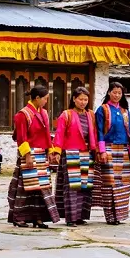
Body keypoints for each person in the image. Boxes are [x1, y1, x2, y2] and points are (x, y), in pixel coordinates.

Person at [7, 86, 60, 228]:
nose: (46, 101)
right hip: (28, 154)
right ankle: (18, 217)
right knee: (24, 187)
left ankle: (38, 218)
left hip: (41, 154)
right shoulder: (23, 114)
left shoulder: (43, 113)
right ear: (37, 98)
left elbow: (47, 135)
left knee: (41, 188)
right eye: (45, 98)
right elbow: (21, 137)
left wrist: (51, 151)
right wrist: (27, 155)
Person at [93, 82, 130, 225]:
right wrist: (101, 150)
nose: (117, 95)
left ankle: (119, 215)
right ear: (109, 93)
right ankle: (110, 216)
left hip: (123, 150)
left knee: (123, 183)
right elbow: (99, 131)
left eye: (119, 93)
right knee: (109, 183)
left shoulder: (125, 112)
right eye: (114, 92)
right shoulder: (102, 110)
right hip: (108, 149)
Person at [53, 87, 97, 227]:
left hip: (87, 153)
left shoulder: (90, 115)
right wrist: (57, 152)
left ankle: (80, 216)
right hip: (71, 153)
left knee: (85, 186)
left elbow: (94, 133)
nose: (83, 102)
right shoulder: (66, 115)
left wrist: (95, 150)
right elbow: (59, 134)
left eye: (85, 99)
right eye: (80, 99)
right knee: (72, 186)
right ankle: (71, 218)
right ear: (74, 99)